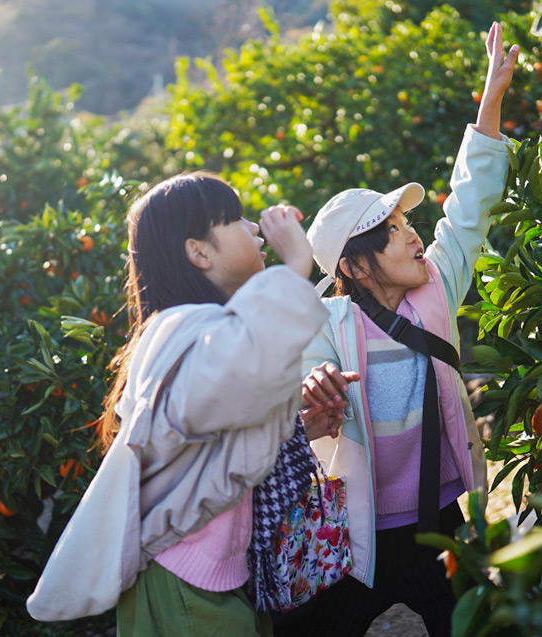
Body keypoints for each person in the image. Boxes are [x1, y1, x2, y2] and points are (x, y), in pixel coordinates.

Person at [280, 22, 520, 637]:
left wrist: (489, 102)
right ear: (354, 266)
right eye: (391, 230)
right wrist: (315, 387)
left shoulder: (436, 289)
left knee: (471, 626)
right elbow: (302, 382)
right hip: (355, 525)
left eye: (406, 221)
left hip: (437, 517)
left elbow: (468, 208)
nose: (413, 233)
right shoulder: (326, 319)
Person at [26, 172, 331, 636]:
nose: (254, 229)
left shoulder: (200, 328)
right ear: (199, 252)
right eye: (237, 219)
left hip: (208, 573)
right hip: (181, 578)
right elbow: (237, 375)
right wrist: (295, 265)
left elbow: (220, 423)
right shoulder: (179, 328)